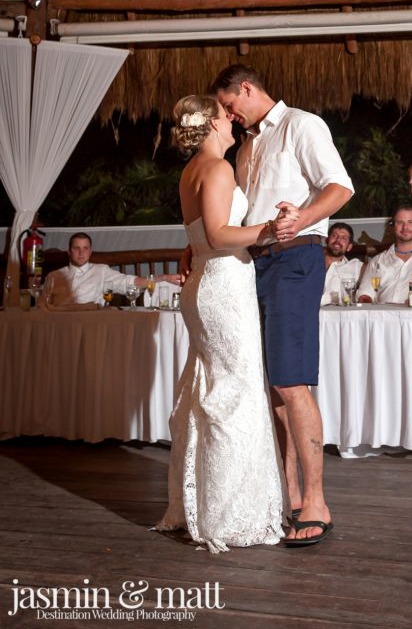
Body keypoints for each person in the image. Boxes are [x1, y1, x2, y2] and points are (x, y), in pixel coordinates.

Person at [214, 64, 354, 547]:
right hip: (253, 265)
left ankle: (317, 501)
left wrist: (304, 217)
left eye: (230, 105)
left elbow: (340, 187)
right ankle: (287, 495)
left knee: (292, 381)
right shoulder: (246, 145)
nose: (229, 116)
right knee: (272, 385)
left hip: (295, 258)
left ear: (247, 89)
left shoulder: (301, 124)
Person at [156, 95, 286, 553]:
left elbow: (198, 237)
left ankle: (202, 503)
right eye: (224, 114)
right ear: (211, 123)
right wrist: (271, 229)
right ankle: (229, 516)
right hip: (224, 287)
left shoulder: (191, 171)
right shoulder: (217, 169)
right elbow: (217, 235)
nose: (232, 119)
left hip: (205, 289)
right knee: (235, 394)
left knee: (208, 391)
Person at [39, 232, 180, 311]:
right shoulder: (54, 276)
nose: (81, 252)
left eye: (85, 248)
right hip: (59, 325)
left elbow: (131, 282)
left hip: (91, 324)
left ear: (90, 251)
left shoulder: (101, 271)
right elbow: (43, 305)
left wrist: (163, 278)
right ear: (69, 252)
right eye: (77, 248)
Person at [320, 223, 363, 306]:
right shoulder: (311, 263)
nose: (337, 240)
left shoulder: (356, 267)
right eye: (334, 236)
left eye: (343, 238)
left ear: (349, 247)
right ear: (327, 240)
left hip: (338, 315)